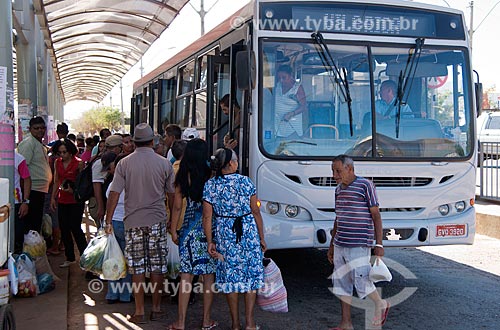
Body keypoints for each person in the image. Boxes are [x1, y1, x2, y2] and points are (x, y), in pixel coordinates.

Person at [105, 123, 175, 325]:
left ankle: (139, 311)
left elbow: (115, 194)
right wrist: (171, 220)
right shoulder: (164, 163)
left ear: (134, 142)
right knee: (157, 267)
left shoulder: (124, 164)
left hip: (133, 222)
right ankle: (156, 308)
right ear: (153, 142)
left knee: (137, 268)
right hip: (157, 220)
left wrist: (108, 220)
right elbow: (171, 195)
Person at [203, 148, 267, 330]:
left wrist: (210, 241)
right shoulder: (246, 182)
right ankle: (250, 322)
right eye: (236, 160)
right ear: (230, 164)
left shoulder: (211, 185)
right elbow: (255, 211)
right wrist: (261, 237)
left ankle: (235, 324)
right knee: (250, 278)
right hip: (247, 231)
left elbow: (207, 217)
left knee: (230, 279)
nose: (237, 162)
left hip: (225, 233)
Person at [327, 155, 390, 330]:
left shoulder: (365, 185)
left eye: (338, 171)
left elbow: (376, 215)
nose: (335, 175)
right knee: (341, 284)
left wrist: (379, 244)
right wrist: (331, 245)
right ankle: (346, 323)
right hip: (341, 243)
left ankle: (380, 304)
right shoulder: (338, 190)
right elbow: (338, 218)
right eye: (333, 171)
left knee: (361, 279)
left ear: (350, 169)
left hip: (359, 243)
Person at [168, 139, 218, 330]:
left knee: (186, 277)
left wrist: (174, 230)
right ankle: (206, 321)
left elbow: (178, 206)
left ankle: (180, 322)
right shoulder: (211, 173)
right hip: (208, 229)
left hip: (188, 229)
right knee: (208, 277)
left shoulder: (183, 174)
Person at [50, 138, 88, 268]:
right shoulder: (57, 163)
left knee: (75, 228)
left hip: (75, 200)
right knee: (64, 228)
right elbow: (56, 181)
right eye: (60, 152)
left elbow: (82, 183)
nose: (62, 155)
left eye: (64, 152)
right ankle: (70, 257)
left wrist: (73, 190)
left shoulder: (79, 163)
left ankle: (85, 256)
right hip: (62, 199)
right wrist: (53, 198)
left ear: (71, 152)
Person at [103, 153, 133, 304]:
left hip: (114, 223)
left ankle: (112, 294)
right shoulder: (134, 183)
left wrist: (107, 223)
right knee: (128, 261)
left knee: (113, 259)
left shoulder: (114, 183)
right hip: (129, 223)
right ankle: (126, 294)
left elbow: (110, 201)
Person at [17, 117, 52, 236]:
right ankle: (30, 252)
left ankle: (33, 250)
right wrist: (25, 199)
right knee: (32, 227)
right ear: (30, 129)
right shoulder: (28, 143)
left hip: (40, 190)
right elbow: (22, 173)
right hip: (32, 191)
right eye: (36, 128)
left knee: (36, 224)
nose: (40, 131)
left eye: (42, 128)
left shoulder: (38, 144)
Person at [92, 135, 123, 226]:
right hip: (105, 202)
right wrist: (101, 207)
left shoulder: (120, 160)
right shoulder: (100, 162)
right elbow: (96, 185)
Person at [274, 64, 307, 138]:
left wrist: (291, 114)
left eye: (284, 77)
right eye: (279, 78)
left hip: (292, 127)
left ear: (290, 75)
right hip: (277, 125)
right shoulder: (277, 86)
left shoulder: (297, 88)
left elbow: (303, 107)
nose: (281, 80)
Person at [14, 151, 32, 254]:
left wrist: (25, 202)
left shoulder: (18, 158)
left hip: (15, 203)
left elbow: (27, 179)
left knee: (17, 235)